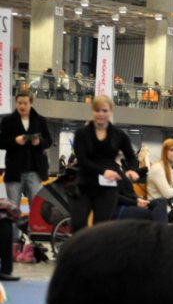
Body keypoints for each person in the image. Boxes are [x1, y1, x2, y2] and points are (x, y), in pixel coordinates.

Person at [70, 96, 139, 233]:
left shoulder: (119, 135)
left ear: (111, 112)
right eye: (97, 110)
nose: (101, 114)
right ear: (92, 111)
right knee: (77, 223)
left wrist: (132, 170)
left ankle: (96, 253)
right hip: (85, 184)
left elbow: (132, 157)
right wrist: (103, 171)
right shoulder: (81, 133)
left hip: (107, 188)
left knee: (101, 228)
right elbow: (82, 159)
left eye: (104, 110)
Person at [0, 90, 53, 240]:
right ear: (16, 103)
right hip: (14, 171)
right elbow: (1, 141)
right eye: (19, 103)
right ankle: (13, 245)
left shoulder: (40, 120)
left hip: (35, 171)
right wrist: (14, 141)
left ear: (31, 103)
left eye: (25, 103)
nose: (22, 106)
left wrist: (39, 142)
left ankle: (36, 243)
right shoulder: (7, 121)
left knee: (36, 209)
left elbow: (48, 141)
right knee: (13, 210)